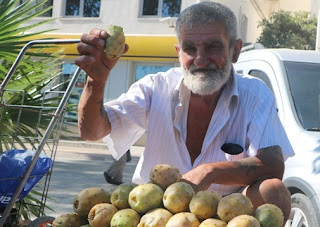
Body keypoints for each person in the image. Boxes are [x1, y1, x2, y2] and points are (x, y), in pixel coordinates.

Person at [75, 1, 295, 223]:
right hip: (152, 213)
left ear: (235, 50)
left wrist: (210, 172)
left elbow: (273, 163)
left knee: (273, 191)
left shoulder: (255, 94)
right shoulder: (154, 87)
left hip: (225, 214)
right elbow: (92, 131)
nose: (199, 59)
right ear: (178, 53)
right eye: (190, 48)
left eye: (213, 47)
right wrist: (96, 80)